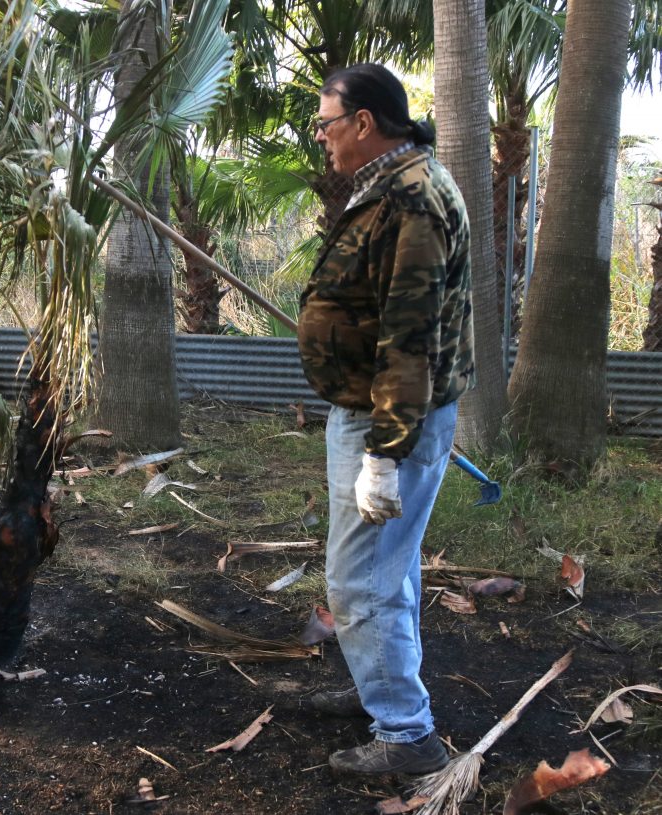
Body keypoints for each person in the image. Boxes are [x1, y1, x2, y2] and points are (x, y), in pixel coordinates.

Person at [296, 63, 475, 776]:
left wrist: (384, 452)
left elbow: (410, 335)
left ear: (364, 123)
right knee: (385, 574)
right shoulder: (393, 184)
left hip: (390, 418)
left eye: (326, 123)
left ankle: (406, 734)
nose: (322, 136)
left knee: (360, 580)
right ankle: (380, 688)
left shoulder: (415, 201)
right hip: (375, 409)